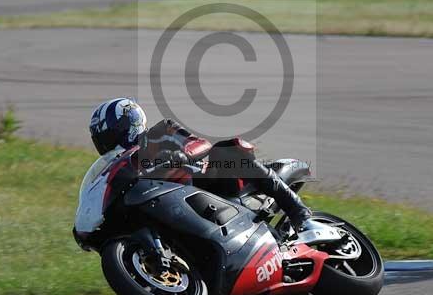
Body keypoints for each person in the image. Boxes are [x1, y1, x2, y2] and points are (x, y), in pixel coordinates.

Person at [85, 97, 340, 245]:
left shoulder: (161, 132)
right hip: (176, 206)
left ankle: (302, 216)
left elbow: (201, 144)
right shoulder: (121, 166)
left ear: (129, 126)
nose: (107, 141)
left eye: (110, 134)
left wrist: (181, 155)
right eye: (102, 137)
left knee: (227, 151)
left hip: (209, 181)